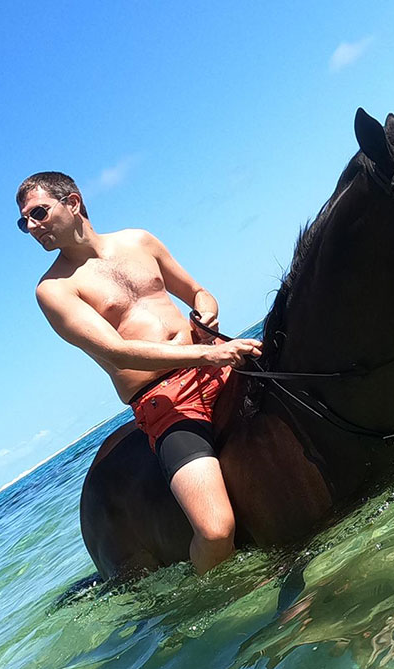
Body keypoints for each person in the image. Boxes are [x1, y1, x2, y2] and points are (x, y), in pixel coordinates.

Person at [16, 172, 261, 574]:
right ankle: (222, 604)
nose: (31, 226)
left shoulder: (139, 241)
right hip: (167, 401)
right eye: (24, 221)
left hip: (215, 362)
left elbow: (198, 292)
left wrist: (208, 308)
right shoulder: (54, 290)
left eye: (38, 213)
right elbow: (117, 352)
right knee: (215, 530)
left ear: (73, 203)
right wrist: (206, 355)